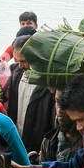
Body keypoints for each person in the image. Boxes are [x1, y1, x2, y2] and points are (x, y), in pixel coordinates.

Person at [6, 26, 57, 154]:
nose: (20, 65)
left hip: (38, 146)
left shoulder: (49, 82)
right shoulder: (15, 74)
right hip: (16, 142)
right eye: (17, 61)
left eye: (23, 61)